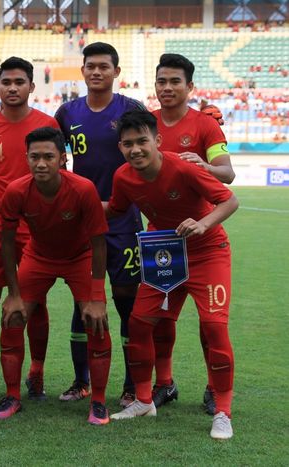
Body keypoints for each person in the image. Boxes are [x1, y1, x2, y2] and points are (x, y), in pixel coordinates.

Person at [107, 109, 239, 440]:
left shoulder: (182, 166)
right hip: (164, 253)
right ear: (120, 146)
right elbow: (115, 210)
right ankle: (144, 400)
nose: (135, 149)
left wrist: (203, 223)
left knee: (213, 327)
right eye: (127, 144)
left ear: (156, 140)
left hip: (208, 253)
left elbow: (229, 200)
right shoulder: (123, 176)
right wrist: (73, 199)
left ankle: (223, 411)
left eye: (142, 142)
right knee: (140, 323)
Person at [0, 127, 111, 425]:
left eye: (48, 156)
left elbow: (98, 244)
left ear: (62, 159)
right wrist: (14, 294)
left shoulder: (82, 189)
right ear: (27, 158)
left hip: (79, 257)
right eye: (35, 157)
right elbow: (6, 243)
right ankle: (12, 395)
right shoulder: (17, 191)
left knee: (96, 321)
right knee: (12, 317)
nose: (41, 163)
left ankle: (97, 401)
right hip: (38, 257)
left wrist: (97, 296)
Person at [55, 42, 145, 406]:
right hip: (83, 221)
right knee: (83, 302)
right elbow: (50, 152)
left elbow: (150, 150)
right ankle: (82, 381)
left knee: (127, 303)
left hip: (124, 221)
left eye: (104, 66)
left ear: (116, 72)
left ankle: (129, 384)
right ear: (83, 71)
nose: (96, 72)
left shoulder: (131, 109)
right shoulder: (67, 112)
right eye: (90, 66)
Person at [151, 53, 236, 413]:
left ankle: (216, 389)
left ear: (190, 87)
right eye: (161, 82)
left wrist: (204, 165)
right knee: (161, 320)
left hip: (203, 238)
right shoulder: (146, 123)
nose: (167, 88)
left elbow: (228, 173)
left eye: (174, 82)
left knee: (210, 323)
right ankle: (164, 384)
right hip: (160, 241)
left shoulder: (205, 126)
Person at [0, 57, 60, 399]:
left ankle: (36, 370)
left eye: (19, 82)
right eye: (6, 82)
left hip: (36, 227)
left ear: (31, 87)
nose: (12, 88)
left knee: (34, 301)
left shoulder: (47, 124)